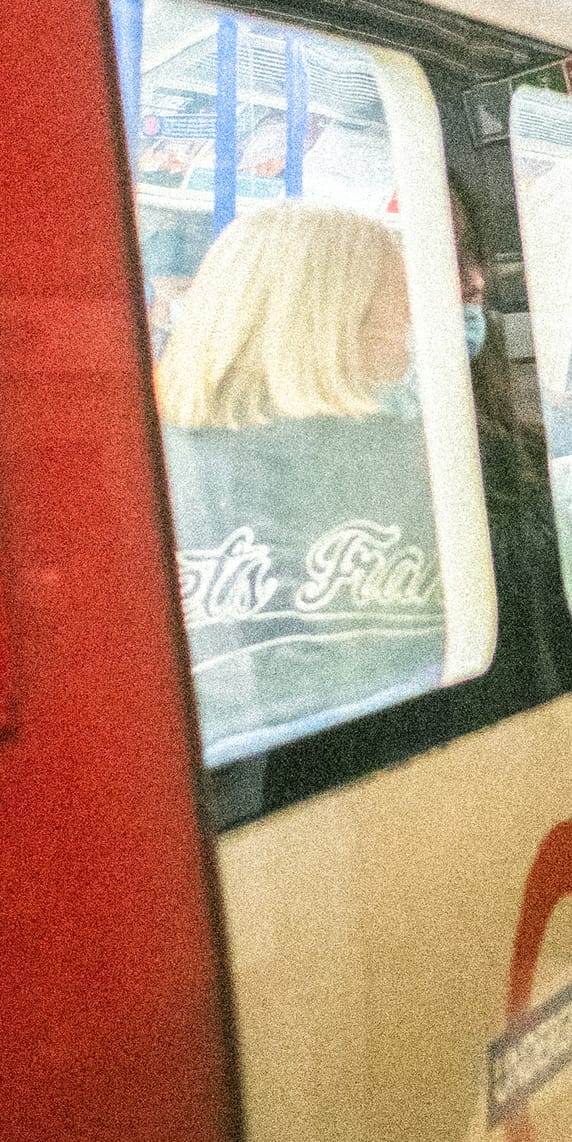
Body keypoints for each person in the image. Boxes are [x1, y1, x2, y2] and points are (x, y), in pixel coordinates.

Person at [155, 201, 446, 762]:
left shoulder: (147, 456)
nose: (411, 331)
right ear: (334, 318)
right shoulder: (411, 455)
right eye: (400, 307)